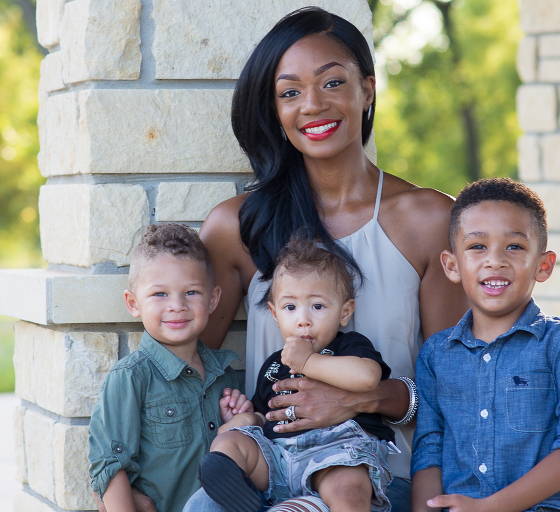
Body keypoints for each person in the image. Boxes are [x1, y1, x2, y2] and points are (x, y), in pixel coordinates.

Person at [187, 7, 469, 512]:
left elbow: (456, 390)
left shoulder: (428, 220)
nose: (312, 105)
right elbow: (189, 372)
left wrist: (362, 399)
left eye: (332, 82)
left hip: (376, 477)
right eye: (290, 92)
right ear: (274, 110)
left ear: (368, 87)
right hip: (271, 469)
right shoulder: (237, 228)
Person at [411, 178, 560, 512]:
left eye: (514, 247)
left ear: (543, 265)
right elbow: (429, 448)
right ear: (452, 265)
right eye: (477, 247)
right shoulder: (436, 353)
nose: (495, 260)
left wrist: (491, 506)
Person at [199, 237, 399, 512]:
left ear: (345, 312)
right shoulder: (273, 365)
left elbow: (367, 378)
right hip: (279, 460)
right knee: (228, 443)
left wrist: (308, 361)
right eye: (290, 307)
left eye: (317, 306)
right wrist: (244, 419)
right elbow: (264, 413)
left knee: (348, 489)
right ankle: (237, 491)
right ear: (274, 314)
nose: (303, 319)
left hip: (337, 455)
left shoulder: (347, 345)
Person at [88, 224, 254, 512]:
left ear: (213, 299)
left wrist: (234, 424)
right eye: (160, 294)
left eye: (191, 292)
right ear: (133, 303)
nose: (176, 306)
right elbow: (110, 468)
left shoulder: (224, 375)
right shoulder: (131, 378)